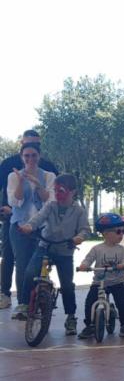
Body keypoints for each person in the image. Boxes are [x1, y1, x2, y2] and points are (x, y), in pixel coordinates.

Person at [19, 174, 89, 334]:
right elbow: (38, 218)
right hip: (46, 247)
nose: (58, 194)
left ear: (73, 192)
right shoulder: (50, 206)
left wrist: (78, 238)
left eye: (62, 191)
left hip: (65, 250)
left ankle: (71, 317)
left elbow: (85, 229)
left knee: (67, 285)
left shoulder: (79, 211)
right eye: (56, 190)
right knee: (30, 272)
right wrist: (29, 227)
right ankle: (24, 305)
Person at [0, 130, 58, 310]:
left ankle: (40, 294)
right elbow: (11, 198)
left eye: (35, 150)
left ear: (40, 152)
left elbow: (53, 199)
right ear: (21, 146)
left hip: (42, 225)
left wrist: (37, 183)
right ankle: (10, 296)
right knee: (13, 258)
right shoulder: (9, 166)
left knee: (42, 261)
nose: (30, 157)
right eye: (27, 153)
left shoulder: (49, 169)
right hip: (15, 221)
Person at [77, 213, 124, 339]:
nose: (121, 234)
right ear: (106, 233)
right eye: (118, 231)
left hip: (117, 282)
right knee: (90, 302)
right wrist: (84, 265)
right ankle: (90, 325)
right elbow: (88, 259)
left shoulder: (122, 249)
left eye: (123, 232)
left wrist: (123, 265)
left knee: (122, 302)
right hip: (99, 282)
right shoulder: (97, 249)